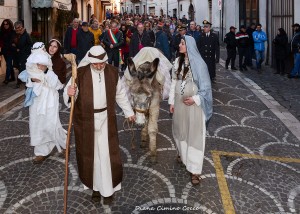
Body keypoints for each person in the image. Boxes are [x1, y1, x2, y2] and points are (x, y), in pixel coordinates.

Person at [63, 46, 135, 204]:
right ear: (90, 61)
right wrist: (69, 93)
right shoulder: (79, 74)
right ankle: (95, 188)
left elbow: (120, 94)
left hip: (106, 119)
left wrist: (129, 112)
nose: (99, 66)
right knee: (91, 156)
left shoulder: (112, 72)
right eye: (96, 64)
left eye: (102, 63)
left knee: (107, 155)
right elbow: (68, 94)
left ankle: (108, 190)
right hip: (85, 121)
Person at [168, 35, 212, 186]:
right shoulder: (177, 61)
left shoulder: (199, 64)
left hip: (194, 106)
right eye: (180, 43)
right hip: (180, 105)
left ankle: (195, 170)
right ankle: (182, 153)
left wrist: (195, 99)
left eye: (182, 43)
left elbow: (206, 88)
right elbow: (174, 82)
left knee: (194, 135)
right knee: (181, 130)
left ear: (189, 46)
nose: (179, 45)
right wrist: (172, 102)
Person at [20, 43, 66, 164]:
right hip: (37, 101)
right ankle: (41, 152)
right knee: (38, 125)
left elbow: (60, 85)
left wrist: (46, 72)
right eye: (50, 45)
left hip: (50, 99)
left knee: (52, 124)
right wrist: (31, 79)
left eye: (55, 46)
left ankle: (63, 143)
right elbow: (28, 80)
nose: (51, 48)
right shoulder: (34, 62)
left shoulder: (59, 63)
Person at [13, 21, 32, 88]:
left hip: (24, 55)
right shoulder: (16, 35)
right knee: (19, 68)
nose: (17, 29)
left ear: (21, 27)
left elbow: (30, 45)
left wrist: (24, 51)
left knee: (22, 69)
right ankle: (21, 81)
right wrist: (15, 46)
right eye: (16, 28)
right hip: (17, 55)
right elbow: (14, 43)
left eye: (18, 28)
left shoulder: (26, 35)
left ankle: (22, 83)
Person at [0, 19, 16, 84]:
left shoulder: (12, 32)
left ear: (9, 24)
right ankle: (12, 77)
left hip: (10, 51)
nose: (5, 25)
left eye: (7, 24)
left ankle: (6, 79)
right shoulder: (2, 32)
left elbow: (11, 42)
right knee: (9, 65)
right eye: (4, 24)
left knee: (8, 65)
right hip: (5, 51)